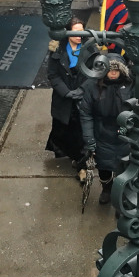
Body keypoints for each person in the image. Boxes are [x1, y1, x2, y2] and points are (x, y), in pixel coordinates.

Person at [79, 54, 133, 205]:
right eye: (110, 69)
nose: (113, 72)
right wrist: (89, 140)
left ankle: (123, 194)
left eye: (117, 69)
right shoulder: (92, 86)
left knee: (125, 167)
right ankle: (107, 189)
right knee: (104, 166)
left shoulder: (130, 85)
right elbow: (86, 114)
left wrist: (129, 129)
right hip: (102, 133)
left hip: (124, 134)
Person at [45, 19, 87, 175]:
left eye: (81, 31)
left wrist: (82, 90)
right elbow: (53, 74)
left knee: (82, 130)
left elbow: (95, 73)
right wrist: (66, 92)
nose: (79, 36)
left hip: (83, 98)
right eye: (75, 32)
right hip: (64, 99)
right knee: (64, 127)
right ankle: (70, 153)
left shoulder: (90, 49)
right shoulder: (58, 50)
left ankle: (81, 162)